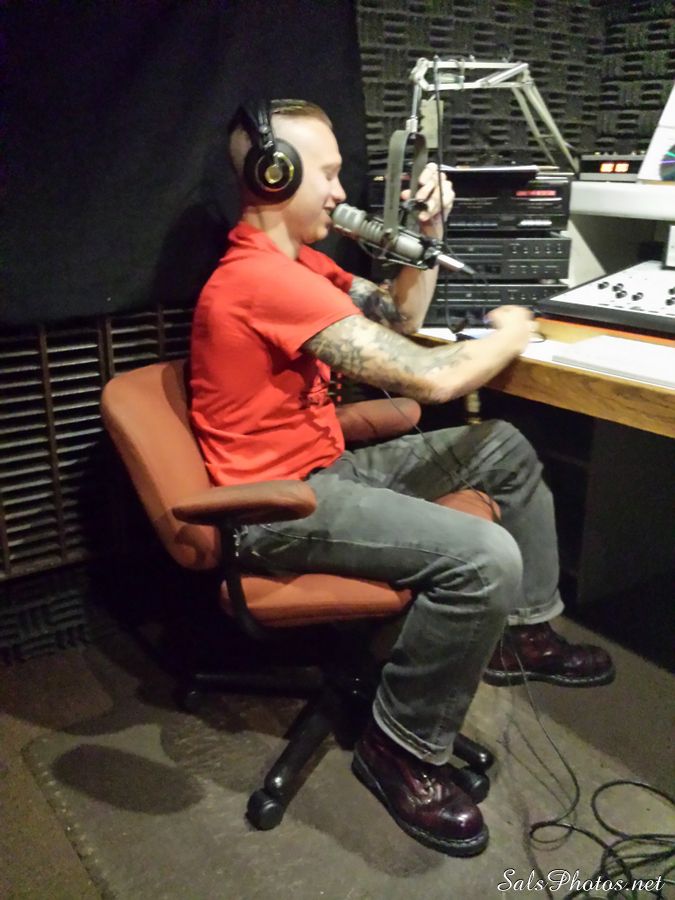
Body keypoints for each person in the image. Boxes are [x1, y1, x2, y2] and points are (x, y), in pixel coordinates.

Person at [189, 99, 614, 857]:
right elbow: (430, 375)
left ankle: (522, 635)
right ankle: (400, 747)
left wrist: (429, 235)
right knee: (484, 557)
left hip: (329, 467)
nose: (338, 189)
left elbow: (397, 318)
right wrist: (513, 331)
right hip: (275, 508)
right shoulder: (257, 279)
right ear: (273, 173)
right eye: (325, 173)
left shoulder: (299, 265)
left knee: (503, 447)